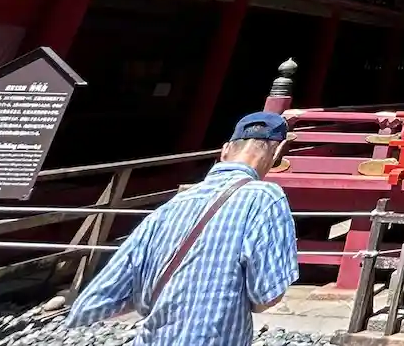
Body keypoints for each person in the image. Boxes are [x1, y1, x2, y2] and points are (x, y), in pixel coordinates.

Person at [65, 111, 298, 346]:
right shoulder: (266, 197)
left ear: (225, 150)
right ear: (278, 152)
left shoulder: (171, 206)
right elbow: (266, 295)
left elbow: (97, 301)